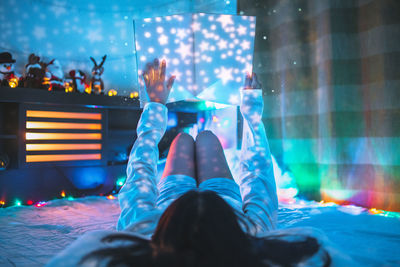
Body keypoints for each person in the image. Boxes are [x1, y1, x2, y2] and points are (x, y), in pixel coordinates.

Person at [47, 59, 352, 267]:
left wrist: (155, 105)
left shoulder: (142, 229)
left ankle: (183, 142)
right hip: (221, 195)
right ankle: (196, 141)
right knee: (205, 137)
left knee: (184, 140)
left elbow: (140, 174)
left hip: (179, 193)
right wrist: (252, 115)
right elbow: (258, 177)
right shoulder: (252, 229)